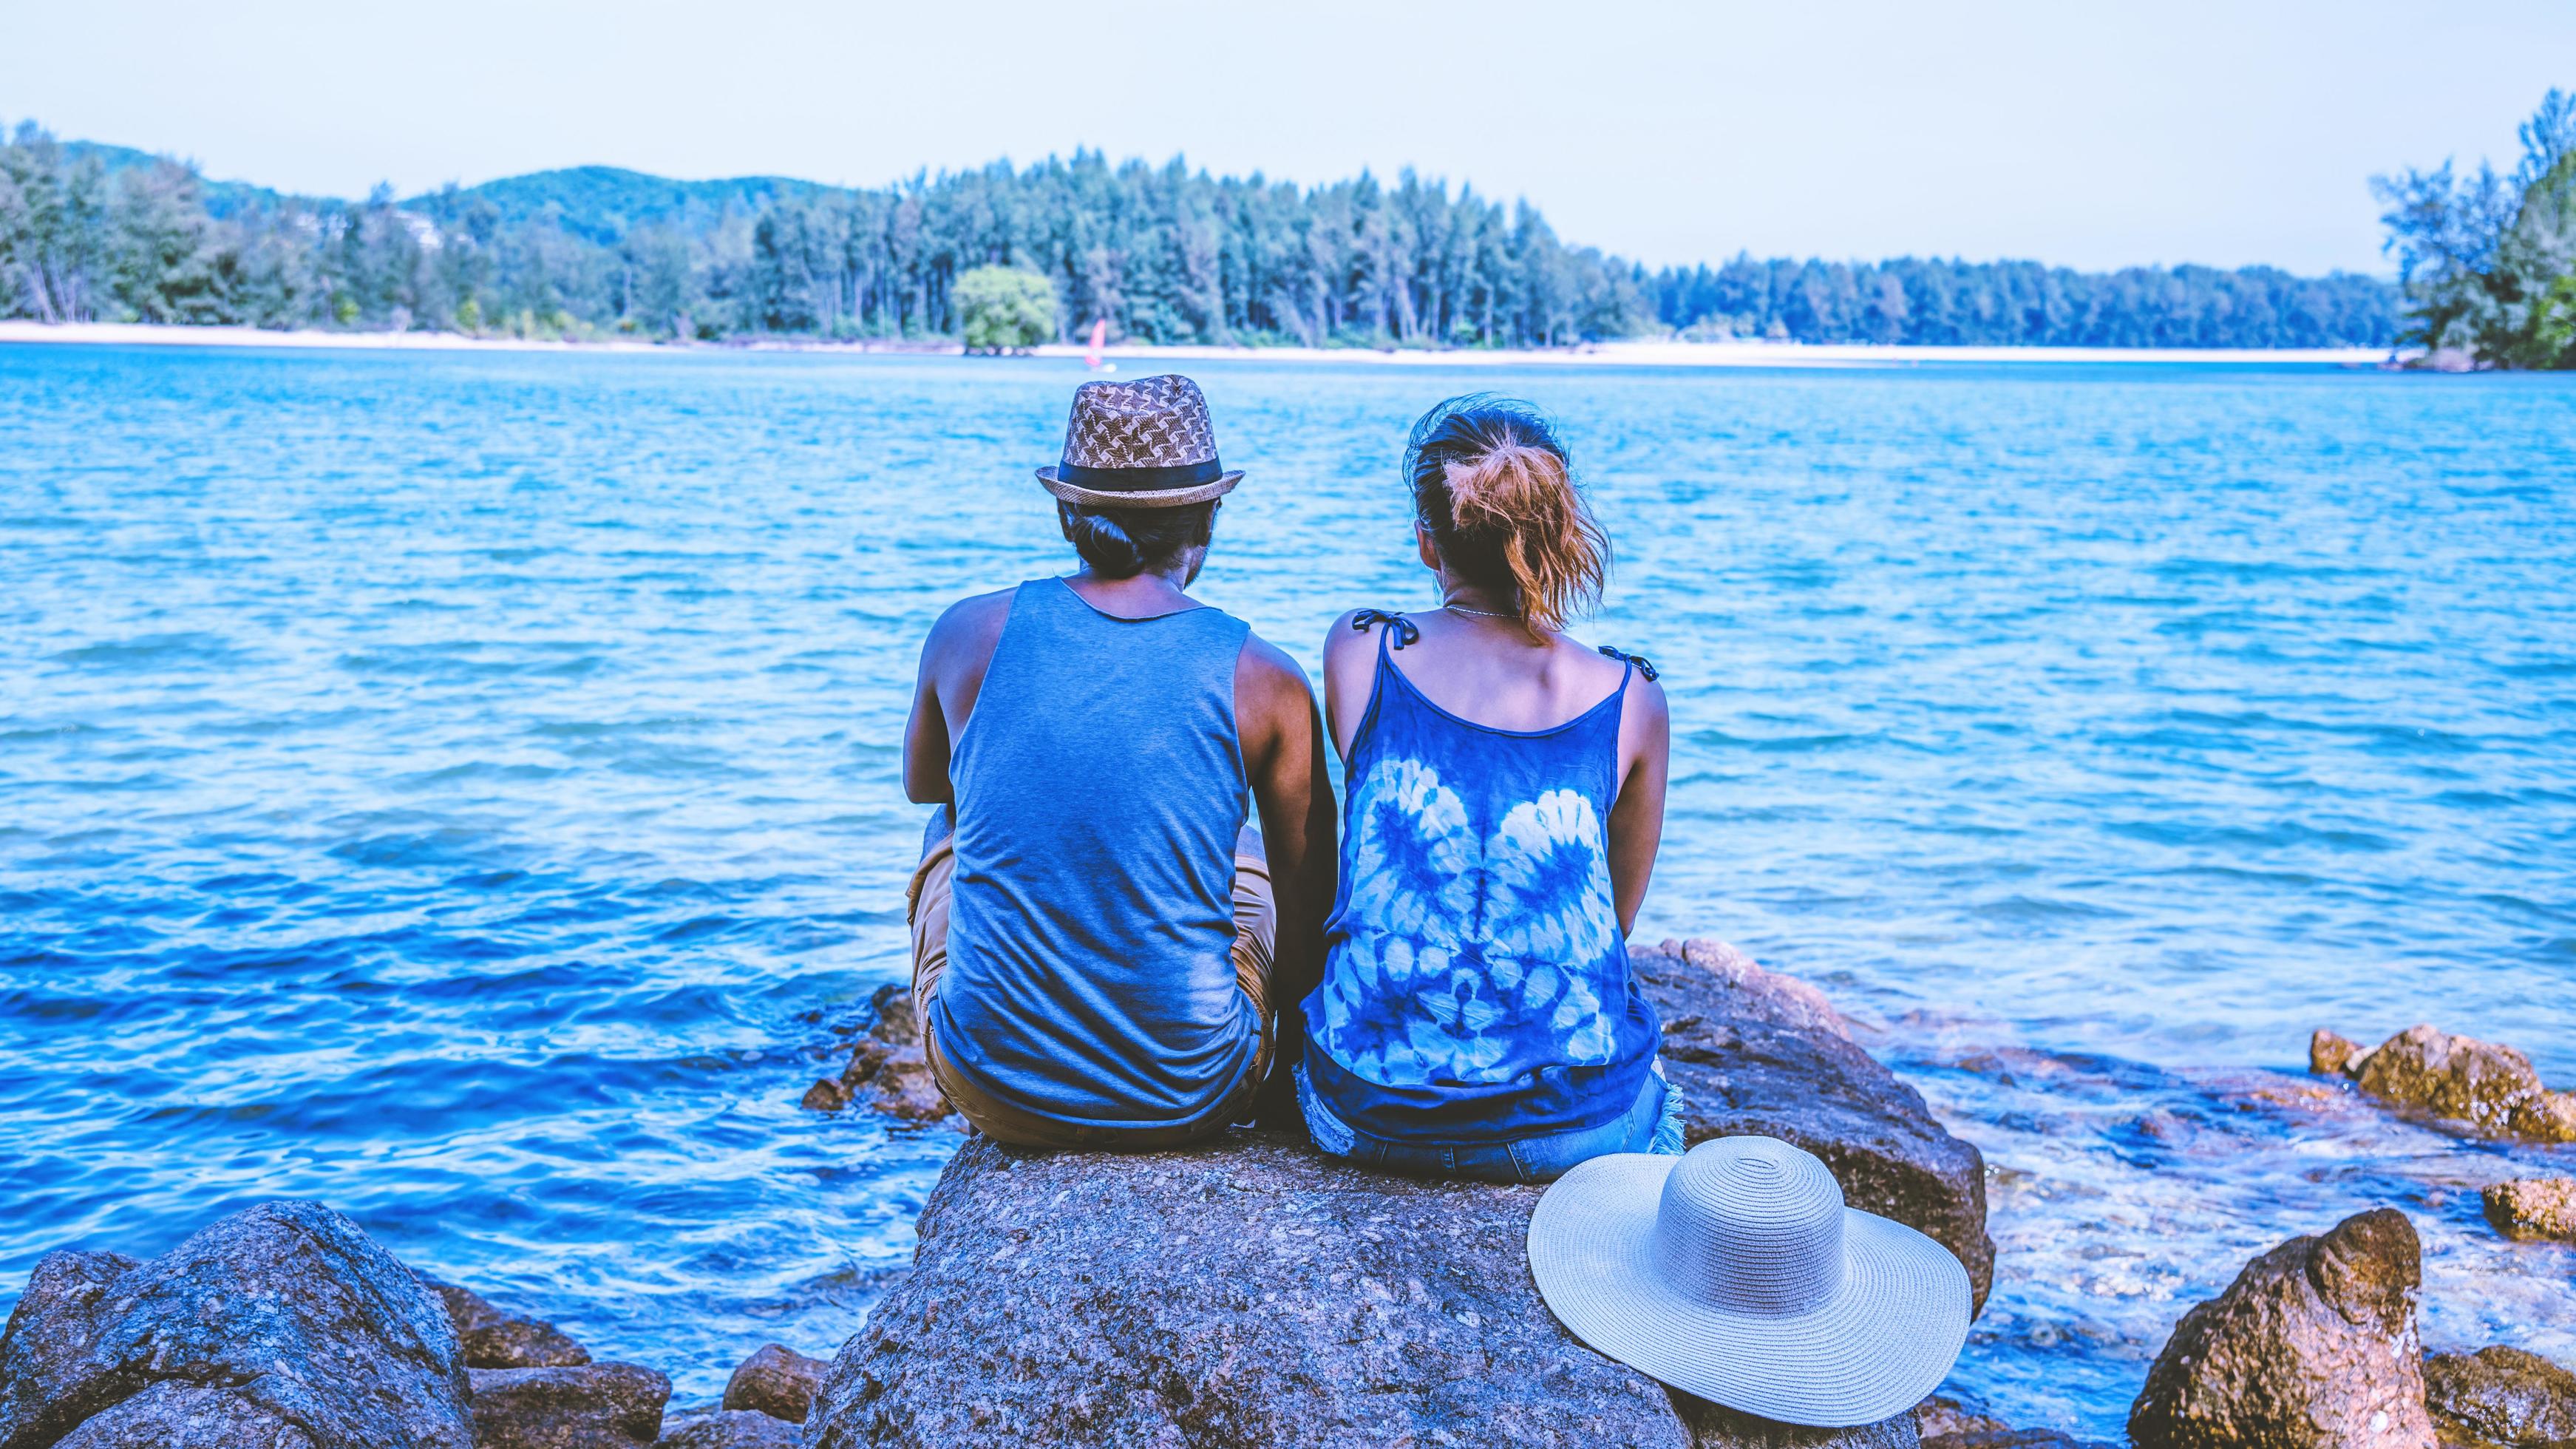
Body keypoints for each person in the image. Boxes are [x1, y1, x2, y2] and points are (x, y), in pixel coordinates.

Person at [901, 374, 1334, 1147]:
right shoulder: (1266, 677)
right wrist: (1285, 1084)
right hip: (1194, 1091)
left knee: (950, 824)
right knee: (1260, 861)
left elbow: (926, 784)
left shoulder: (965, 631)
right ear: (1207, 518)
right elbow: (1311, 904)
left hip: (993, 1084)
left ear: (1067, 511)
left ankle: (1011, 1017)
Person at [1296, 394, 1675, 1182]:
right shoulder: (1627, 697)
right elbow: (1618, 915)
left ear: (1426, 543)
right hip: (1568, 1131)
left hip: (1366, 1112)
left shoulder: (1363, 649)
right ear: (1558, 532)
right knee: (1660, 1107)